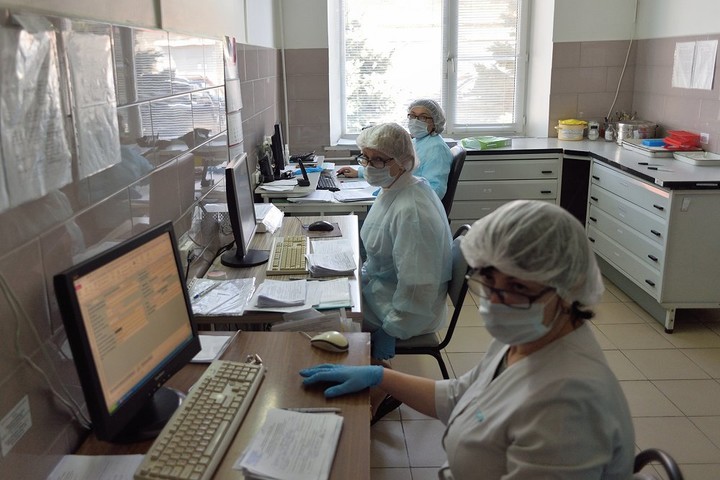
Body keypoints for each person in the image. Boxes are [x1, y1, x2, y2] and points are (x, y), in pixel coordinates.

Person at [299, 200, 635, 479]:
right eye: (488, 280)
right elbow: (462, 395)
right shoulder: (530, 337)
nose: (496, 301)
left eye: (518, 288)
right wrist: (380, 376)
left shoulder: (568, 404)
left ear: (567, 291)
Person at [353, 122, 452, 361]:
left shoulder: (412, 211)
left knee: (329, 319)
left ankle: (369, 377)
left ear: (404, 161)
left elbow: (419, 285)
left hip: (407, 313)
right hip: (384, 289)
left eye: (379, 160)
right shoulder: (394, 187)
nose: (369, 167)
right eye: (365, 158)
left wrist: (394, 328)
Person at [337, 99, 453, 200]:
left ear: (435, 122)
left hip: (410, 203)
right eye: (412, 116)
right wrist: (359, 172)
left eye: (423, 117)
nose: (415, 121)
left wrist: (402, 200)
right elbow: (394, 167)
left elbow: (436, 190)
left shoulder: (437, 149)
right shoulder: (417, 141)